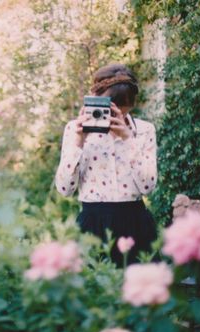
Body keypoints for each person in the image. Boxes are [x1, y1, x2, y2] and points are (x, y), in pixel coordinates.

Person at [55, 63, 158, 267]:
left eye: (121, 110)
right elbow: (65, 189)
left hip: (135, 224)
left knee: (141, 293)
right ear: (96, 97)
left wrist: (129, 140)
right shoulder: (74, 130)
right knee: (95, 296)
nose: (115, 116)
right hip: (92, 225)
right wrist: (78, 142)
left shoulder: (144, 131)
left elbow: (148, 187)